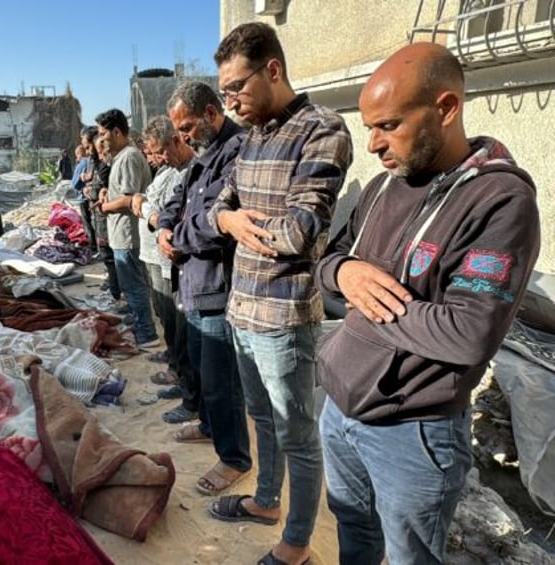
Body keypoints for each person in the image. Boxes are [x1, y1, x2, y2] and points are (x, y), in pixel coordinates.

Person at [314, 42, 540, 565]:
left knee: (409, 556)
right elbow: (329, 266)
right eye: (368, 126)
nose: (372, 144)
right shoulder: (380, 187)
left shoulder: (499, 201)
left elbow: (467, 334)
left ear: (445, 108)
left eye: (388, 125)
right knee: (354, 534)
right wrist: (347, 272)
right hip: (341, 410)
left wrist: (366, 302)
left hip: (412, 432)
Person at [207, 22, 354, 565]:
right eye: (224, 92)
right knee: (261, 418)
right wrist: (228, 217)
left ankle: (296, 542)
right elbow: (214, 207)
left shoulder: (323, 129)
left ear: (272, 70)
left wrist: (239, 223)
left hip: (284, 315)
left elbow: (300, 231)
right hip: (241, 305)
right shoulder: (250, 138)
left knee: (298, 434)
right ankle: (267, 501)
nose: (231, 102)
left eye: (237, 88)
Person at [156, 81, 252, 497]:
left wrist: (176, 237)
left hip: (217, 285)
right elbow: (177, 200)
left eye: (189, 127)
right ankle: (212, 426)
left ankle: (234, 458)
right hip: (192, 283)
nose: (185, 137)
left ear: (213, 113)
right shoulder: (201, 156)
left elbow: (219, 223)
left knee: (221, 380)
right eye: (180, 131)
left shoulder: (236, 151)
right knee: (199, 364)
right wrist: (163, 225)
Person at [131, 116, 196, 422]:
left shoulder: (190, 171)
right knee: (172, 325)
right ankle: (184, 385)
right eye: (154, 152)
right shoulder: (168, 170)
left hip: (177, 264)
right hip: (161, 256)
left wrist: (144, 207)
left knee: (182, 331)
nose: (158, 158)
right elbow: (157, 209)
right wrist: (147, 208)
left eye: (160, 150)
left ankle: (190, 394)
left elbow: (161, 213)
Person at [94, 108, 159, 348]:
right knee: (131, 286)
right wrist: (105, 193)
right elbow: (119, 193)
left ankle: (147, 334)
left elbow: (129, 199)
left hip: (128, 234)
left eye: (103, 134)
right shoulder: (121, 157)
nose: (101, 139)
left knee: (134, 287)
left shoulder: (130, 156)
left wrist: (105, 207)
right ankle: (138, 325)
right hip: (120, 233)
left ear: (117, 131)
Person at [71, 143, 96, 253]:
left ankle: (92, 245)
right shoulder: (92, 162)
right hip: (93, 197)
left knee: (87, 222)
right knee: (94, 221)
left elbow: (75, 183)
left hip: (84, 197)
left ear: (79, 154)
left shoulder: (82, 163)